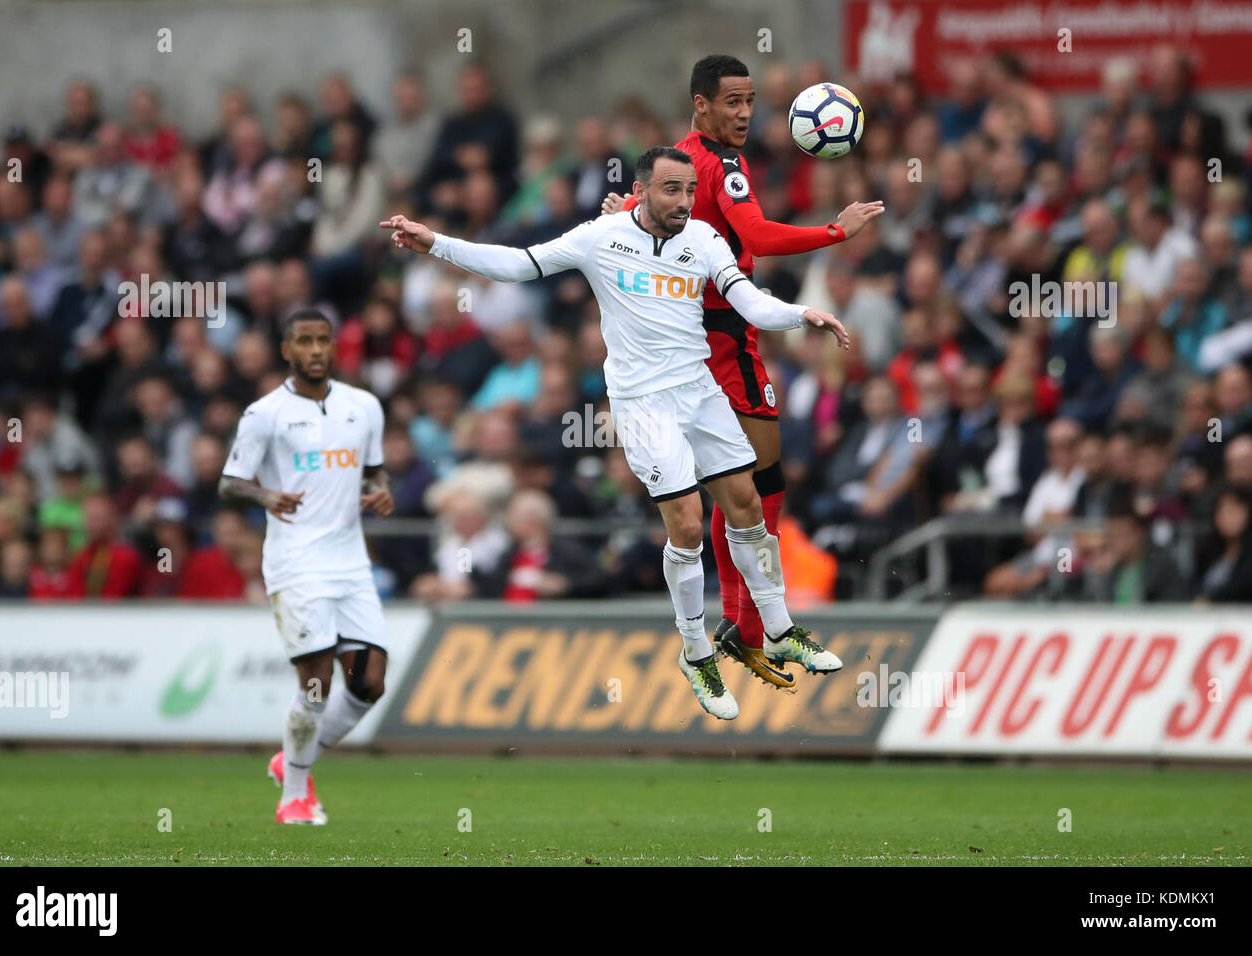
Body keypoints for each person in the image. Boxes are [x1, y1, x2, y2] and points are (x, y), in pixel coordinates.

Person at [383, 146, 847, 721]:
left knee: (747, 503)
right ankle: (697, 650)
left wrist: (803, 315)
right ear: (643, 189)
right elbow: (517, 263)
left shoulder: (703, 239)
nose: (683, 201)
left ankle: (778, 630)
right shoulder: (599, 237)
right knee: (685, 523)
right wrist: (437, 243)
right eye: (671, 190)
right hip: (643, 404)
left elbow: (748, 302)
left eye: (688, 191)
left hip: (700, 392)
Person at [599, 54, 883, 689]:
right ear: (701, 104)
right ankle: (748, 626)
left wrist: (627, 213)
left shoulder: (678, 159)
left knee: (746, 484)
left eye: (750, 101)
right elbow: (757, 231)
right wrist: (838, 230)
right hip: (721, 333)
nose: (745, 112)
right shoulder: (721, 165)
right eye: (732, 101)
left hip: (698, 330)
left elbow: (666, 226)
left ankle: (744, 624)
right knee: (761, 481)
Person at [218, 308, 394, 825]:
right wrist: (266, 495)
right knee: (315, 681)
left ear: (334, 346)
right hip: (296, 563)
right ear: (286, 351)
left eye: (323, 341)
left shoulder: (363, 407)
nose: (315, 350)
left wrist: (380, 492)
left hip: (350, 564)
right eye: (304, 342)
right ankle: (294, 796)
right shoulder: (264, 414)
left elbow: (375, 472)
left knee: (369, 683)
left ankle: (295, 760)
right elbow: (230, 482)